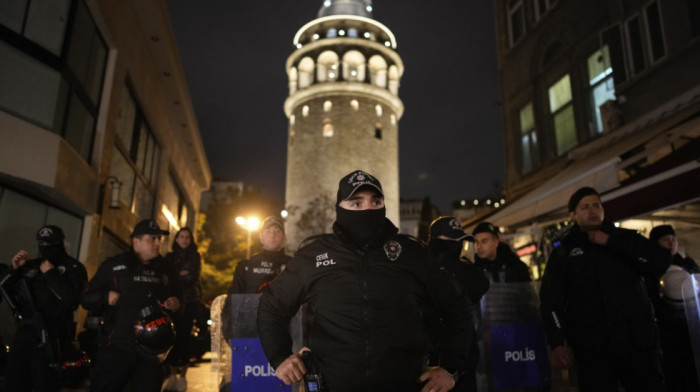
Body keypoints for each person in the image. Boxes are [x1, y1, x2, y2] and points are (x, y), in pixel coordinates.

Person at [257, 170, 472, 392]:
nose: (368, 209)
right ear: (340, 207)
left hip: (403, 385)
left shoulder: (411, 254)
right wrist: (279, 356)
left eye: (375, 202)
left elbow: (457, 307)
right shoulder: (314, 256)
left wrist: (450, 368)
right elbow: (272, 306)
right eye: (357, 203)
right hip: (333, 385)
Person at [539, 187, 671, 392]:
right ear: (573, 215)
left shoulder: (625, 238)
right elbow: (551, 299)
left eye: (596, 205)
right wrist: (556, 343)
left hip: (637, 343)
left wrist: (612, 242)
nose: (593, 211)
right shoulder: (563, 252)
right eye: (585, 207)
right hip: (593, 349)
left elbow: (658, 262)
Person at [82, 219, 181, 392]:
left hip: (151, 352)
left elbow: (178, 298)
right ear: (136, 242)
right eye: (152, 239)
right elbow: (85, 298)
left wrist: (177, 302)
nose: (158, 243)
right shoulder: (114, 266)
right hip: (117, 347)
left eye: (159, 239)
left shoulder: (166, 269)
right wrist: (106, 297)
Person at [0, 225, 87, 391]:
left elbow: (73, 300)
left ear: (60, 242)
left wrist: (51, 274)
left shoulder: (74, 268)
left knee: (45, 384)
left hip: (51, 338)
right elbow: (5, 289)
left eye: (50, 244)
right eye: (42, 244)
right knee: (14, 384)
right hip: (24, 335)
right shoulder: (32, 265)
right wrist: (14, 269)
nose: (45, 248)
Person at [426, 216, 489, 392]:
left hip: (461, 362)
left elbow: (480, 285)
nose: (457, 245)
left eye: (459, 241)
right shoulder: (425, 269)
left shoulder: (460, 269)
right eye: (452, 241)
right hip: (435, 364)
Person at [221, 216, 291, 341]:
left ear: (284, 237)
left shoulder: (294, 265)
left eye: (277, 231)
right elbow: (233, 300)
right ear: (261, 237)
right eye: (268, 231)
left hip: (286, 333)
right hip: (250, 332)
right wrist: (229, 331)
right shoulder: (246, 266)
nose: (273, 235)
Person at [648, 224, 699, 392]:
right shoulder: (651, 266)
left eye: (673, 239)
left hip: (691, 325)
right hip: (667, 329)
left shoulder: (685, 263)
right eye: (665, 240)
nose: (671, 243)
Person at [164, 227, 202, 392]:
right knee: (172, 337)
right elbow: (168, 277)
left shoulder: (195, 256)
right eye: (182, 236)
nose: (185, 240)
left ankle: (183, 377)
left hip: (190, 302)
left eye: (188, 237)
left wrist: (179, 274)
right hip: (172, 301)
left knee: (185, 338)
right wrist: (180, 274)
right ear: (176, 239)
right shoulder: (169, 256)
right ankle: (172, 375)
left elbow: (193, 276)